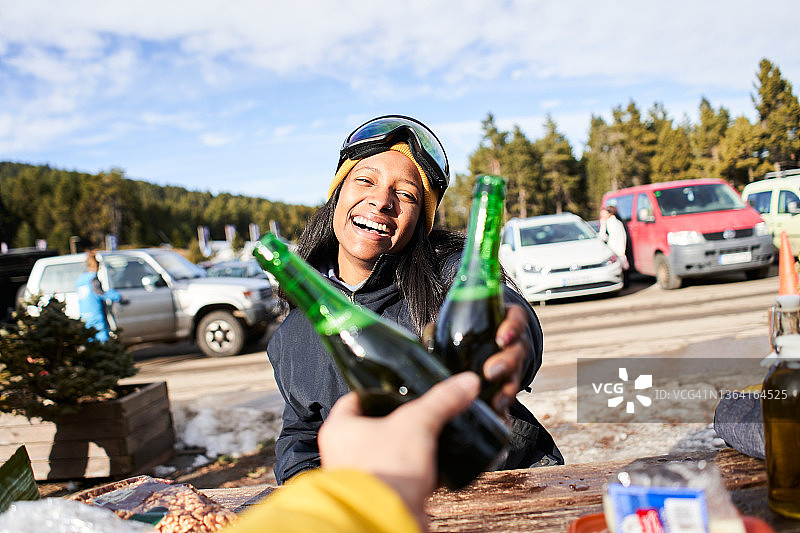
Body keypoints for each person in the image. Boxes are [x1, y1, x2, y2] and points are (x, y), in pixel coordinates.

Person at [267, 115, 562, 486]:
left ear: (420, 222)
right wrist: (306, 495)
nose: (381, 200)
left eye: (405, 193)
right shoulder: (293, 335)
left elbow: (492, 299)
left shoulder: (443, 276)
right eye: (365, 180)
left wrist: (509, 329)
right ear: (337, 195)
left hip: (500, 487)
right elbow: (301, 434)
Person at [226, 371, 481, 533]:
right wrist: (309, 479)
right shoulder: (291, 330)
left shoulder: (437, 289)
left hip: (477, 503)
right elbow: (299, 429)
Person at [75, 251, 121, 342]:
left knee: (90, 339)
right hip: (95, 313)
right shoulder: (92, 278)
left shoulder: (80, 279)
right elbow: (100, 293)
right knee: (102, 339)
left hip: (84, 313)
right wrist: (117, 296)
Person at [598, 205, 630, 276]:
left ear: (609, 213)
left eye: (604, 214)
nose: (602, 216)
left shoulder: (610, 223)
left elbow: (603, 237)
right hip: (618, 249)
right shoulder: (617, 222)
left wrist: (602, 224)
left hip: (615, 249)